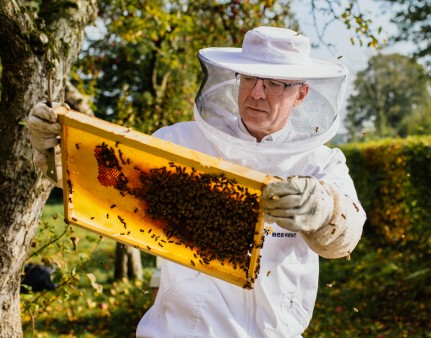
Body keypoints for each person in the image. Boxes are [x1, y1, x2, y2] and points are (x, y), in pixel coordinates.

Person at [27, 26, 366, 337]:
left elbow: (345, 238)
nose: (257, 93)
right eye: (249, 79)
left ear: (302, 93)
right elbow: (111, 186)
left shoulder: (321, 163)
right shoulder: (179, 142)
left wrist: (325, 210)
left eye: (275, 83)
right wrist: (59, 152)